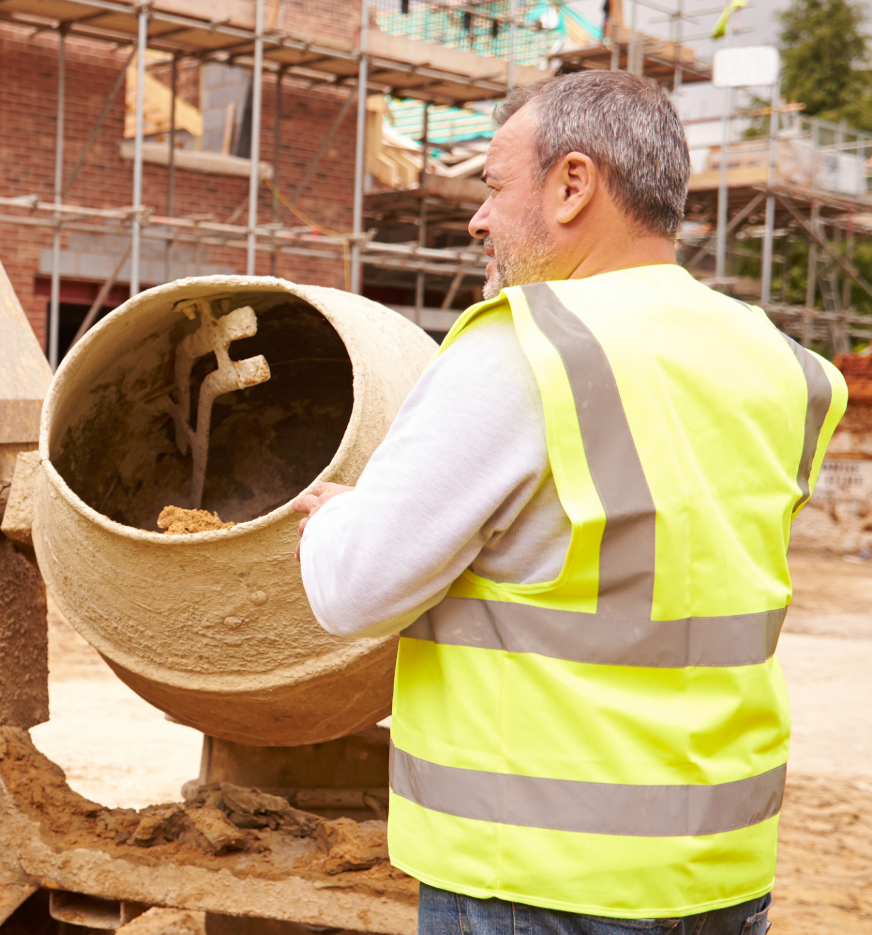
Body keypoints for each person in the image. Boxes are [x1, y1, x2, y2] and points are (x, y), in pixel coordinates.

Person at [290, 70, 845, 935]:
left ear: (573, 184)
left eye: (494, 187)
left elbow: (355, 588)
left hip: (539, 880)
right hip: (721, 874)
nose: (477, 219)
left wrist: (335, 523)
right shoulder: (778, 362)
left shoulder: (528, 350)